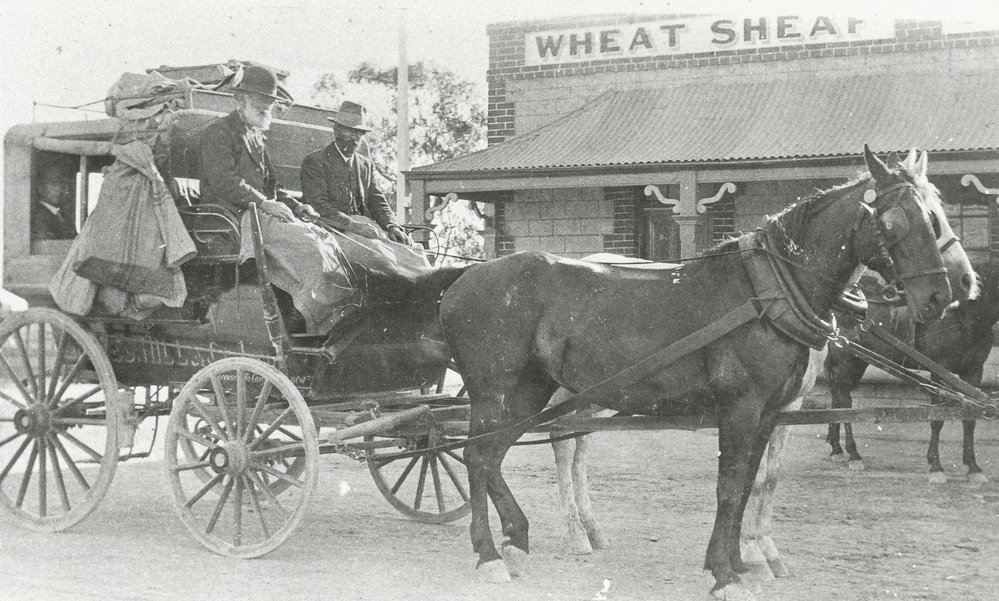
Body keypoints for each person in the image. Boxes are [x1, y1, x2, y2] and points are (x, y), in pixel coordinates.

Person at [198, 64, 364, 336]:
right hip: (233, 216)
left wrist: (299, 207)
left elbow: (273, 186)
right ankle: (311, 317)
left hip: (261, 214)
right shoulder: (219, 132)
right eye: (260, 101)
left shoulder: (256, 137)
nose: (267, 107)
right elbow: (225, 181)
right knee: (309, 247)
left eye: (270, 102)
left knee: (324, 239)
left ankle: (318, 312)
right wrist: (265, 203)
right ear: (240, 100)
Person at [300, 101, 412, 245]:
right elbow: (317, 205)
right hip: (333, 230)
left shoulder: (365, 165)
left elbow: (377, 201)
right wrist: (352, 225)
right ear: (336, 130)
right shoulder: (315, 161)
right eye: (349, 130)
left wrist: (392, 226)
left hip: (365, 229)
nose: (354, 137)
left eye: (359, 133)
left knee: (408, 248)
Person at [32, 160, 77, 240]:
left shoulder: (63, 214)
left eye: (63, 183)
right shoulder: (38, 216)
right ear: (40, 187)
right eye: (54, 183)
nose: (59, 189)